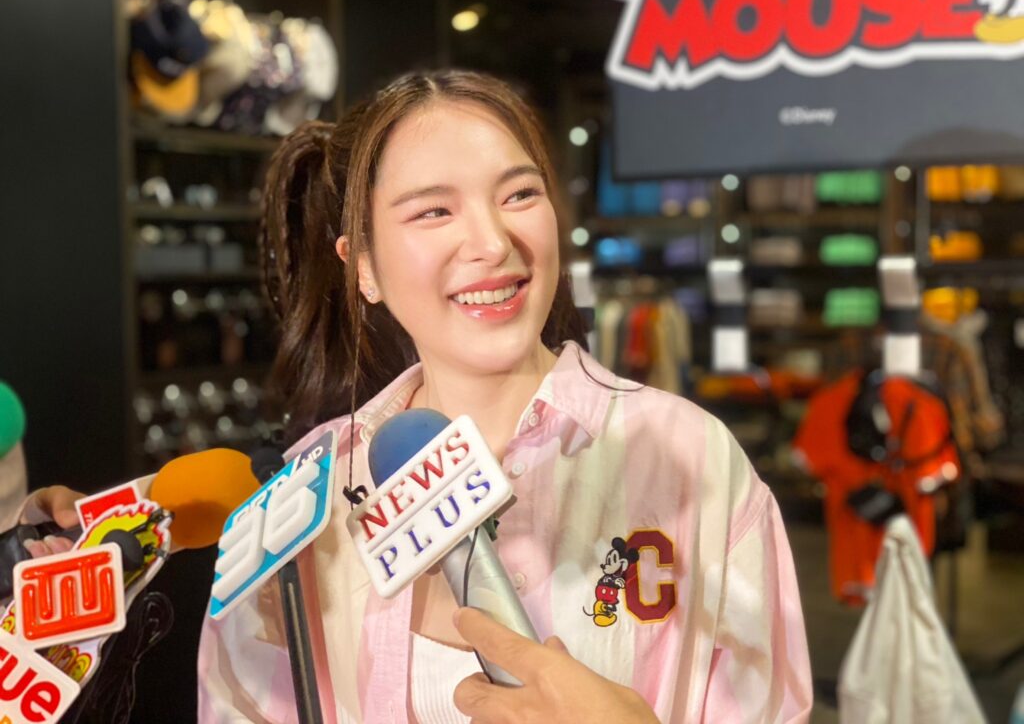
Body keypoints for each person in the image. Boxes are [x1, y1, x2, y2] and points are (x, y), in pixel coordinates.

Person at [195, 68, 811, 723]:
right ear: (364, 266)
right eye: (434, 210)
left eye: (520, 194)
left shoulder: (689, 455)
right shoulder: (304, 502)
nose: (493, 244)